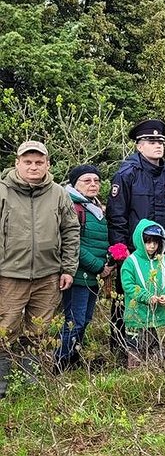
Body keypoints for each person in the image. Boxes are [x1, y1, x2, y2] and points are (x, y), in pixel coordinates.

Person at [0, 141, 79, 397]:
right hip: (9, 274)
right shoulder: (3, 191)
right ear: (17, 163)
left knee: (39, 330)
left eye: (39, 162)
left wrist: (68, 268)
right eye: (28, 162)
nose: (33, 167)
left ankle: (31, 384)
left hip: (48, 275)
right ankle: (3, 387)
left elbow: (70, 230)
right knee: (5, 329)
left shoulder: (58, 193)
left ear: (47, 164)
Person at [107, 119, 165, 354]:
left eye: (160, 141)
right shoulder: (127, 174)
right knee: (128, 296)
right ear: (139, 146)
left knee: (156, 291)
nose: (157, 145)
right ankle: (122, 346)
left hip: (158, 250)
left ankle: (150, 345)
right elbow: (117, 215)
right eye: (151, 141)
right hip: (132, 250)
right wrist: (120, 251)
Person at [55, 164, 113, 370]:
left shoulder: (94, 206)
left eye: (96, 180)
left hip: (92, 275)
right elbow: (74, 244)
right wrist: (99, 266)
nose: (93, 184)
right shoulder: (72, 205)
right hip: (77, 274)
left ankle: (73, 357)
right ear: (75, 184)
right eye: (87, 181)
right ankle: (60, 362)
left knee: (85, 319)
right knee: (74, 321)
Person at [120, 220, 165, 368]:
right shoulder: (131, 261)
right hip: (136, 313)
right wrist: (146, 296)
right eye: (148, 242)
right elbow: (128, 285)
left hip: (153, 312)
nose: (152, 246)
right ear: (140, 241)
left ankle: (156, 369)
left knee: (152, 342)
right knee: (134, 345)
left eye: (155, 242)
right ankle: (135, 372)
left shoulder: (162, 260)